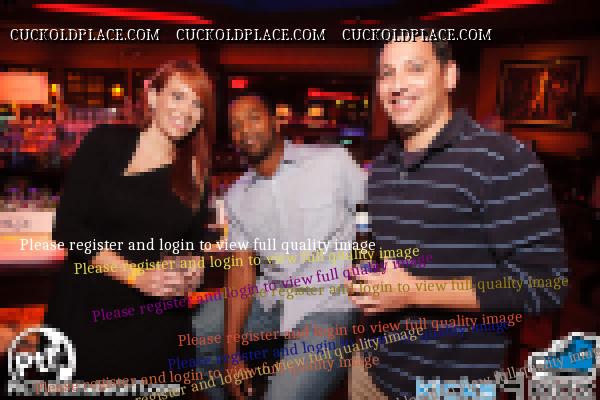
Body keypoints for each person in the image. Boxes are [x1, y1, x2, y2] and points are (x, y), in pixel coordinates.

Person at [347, 37, 568, 399]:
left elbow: (545, 285)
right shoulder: (382, 167)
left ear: (449, 76)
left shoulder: (501, 158)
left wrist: (415, 293)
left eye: (414, 68)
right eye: (387, 73)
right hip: (370, 371)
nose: (398, 84)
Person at [44, 60, 214, 395]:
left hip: (157, 323)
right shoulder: (106, 143)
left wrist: (193, 269)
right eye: (178, 96)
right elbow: (67, 228)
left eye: (197, 103)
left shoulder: (196, 169)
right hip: (88, 311)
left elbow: (191, 242)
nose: (187, 111)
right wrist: (137, 276)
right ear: (153, 97)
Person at [192, 93, 366, 400]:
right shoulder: (237, 196)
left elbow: (374, 216)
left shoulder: (331, 162)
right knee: (198, 332)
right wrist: (231, 353)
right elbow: (241, 269)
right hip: (272, 300)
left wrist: (369, 279)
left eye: (253, 117)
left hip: (328, 305)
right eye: (236, 125)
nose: (245, 129)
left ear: (275, 122)